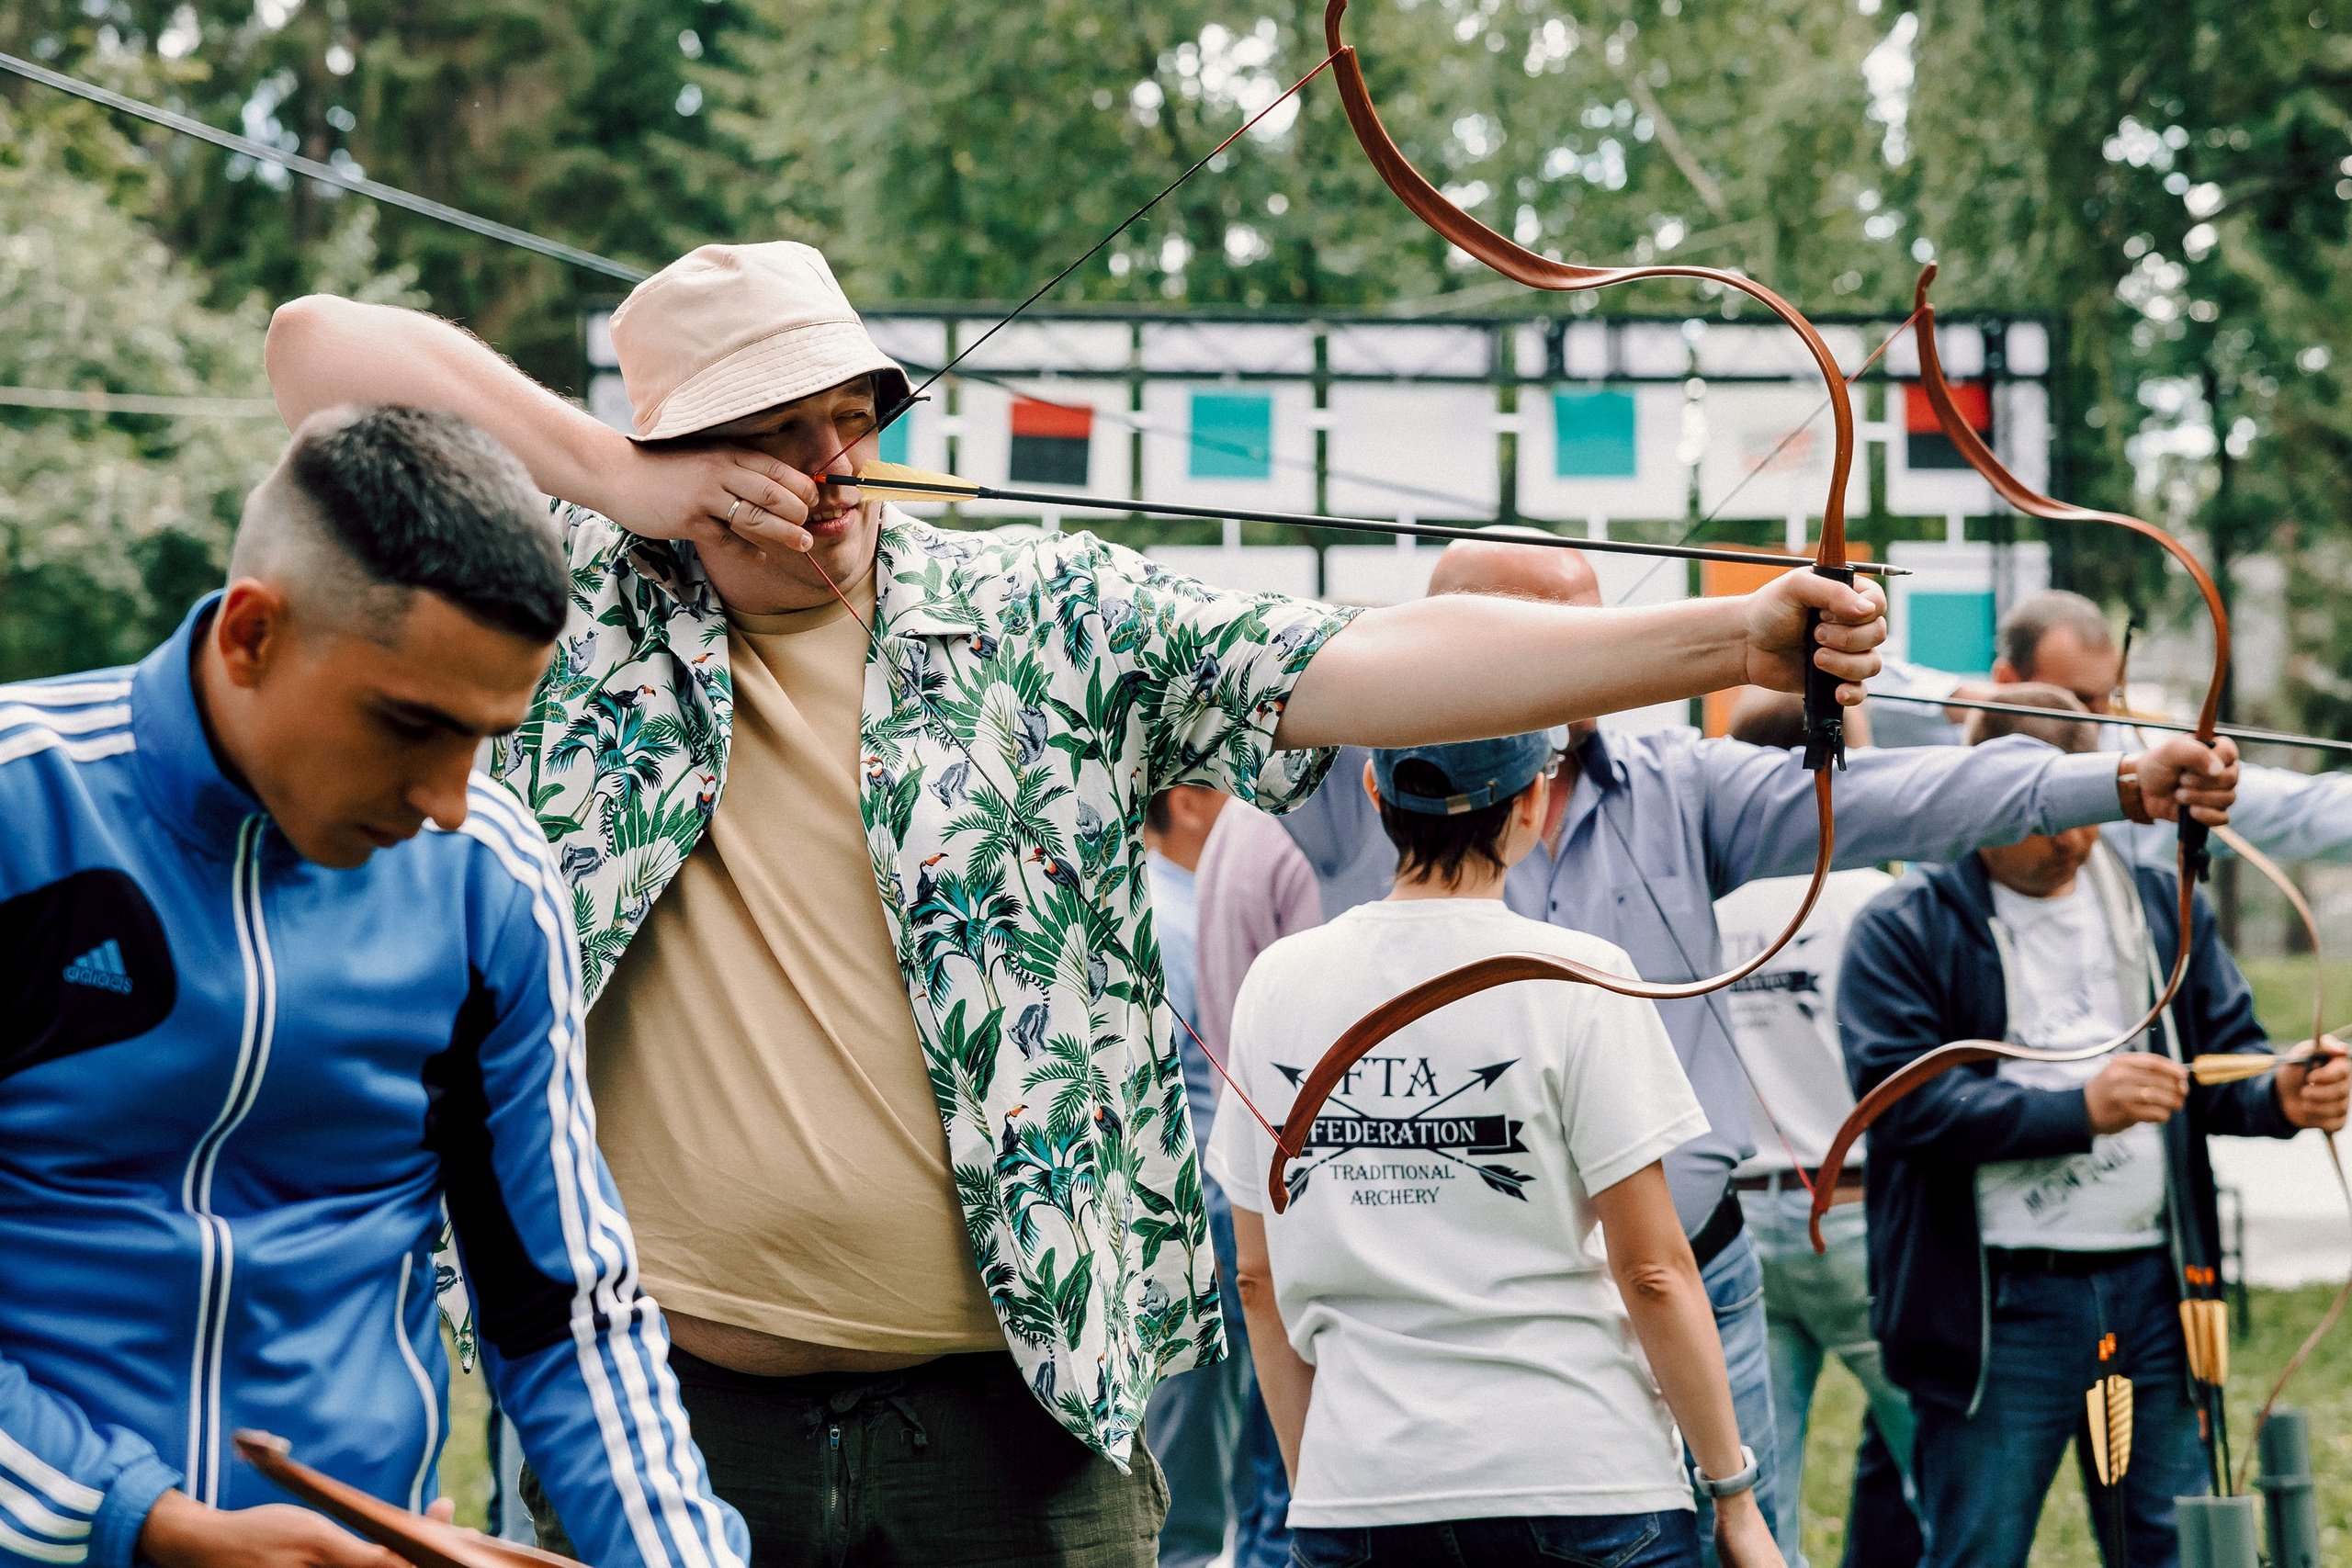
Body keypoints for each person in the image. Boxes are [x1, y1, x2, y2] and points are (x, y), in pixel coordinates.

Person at [263, 242, 1890, 1568]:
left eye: (851, 417)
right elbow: (316, 350)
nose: (832, 469)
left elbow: (1363, 659)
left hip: (1017, 1422)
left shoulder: (1042, 610)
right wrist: (619, 480)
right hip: (660, 1416)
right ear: (672, 448)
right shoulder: (567, 606)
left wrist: (1727, 639)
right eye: (773, 431)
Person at [1269, 540, 2241, 1559]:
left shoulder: (1674, 786)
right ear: (1436, 639)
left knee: (1742, 1540)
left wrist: (2116, 780)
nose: (1591, 655)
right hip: (1429, 1305)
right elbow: (1249, 665)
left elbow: (1895, 796)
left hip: (1688, 1272)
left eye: (1599, 627)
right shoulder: (1347, 778)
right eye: (1548, 635)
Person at [0, 406, 746, 1568]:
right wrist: (141, 1524)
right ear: (252, 634)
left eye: (484, 739)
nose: (449, 801)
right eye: (412, 727)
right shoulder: (20, 813)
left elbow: (564, 1314)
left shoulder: (486, 878)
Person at [1210, 732, 1780, 1568]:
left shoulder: (1278, 980)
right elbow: (1654, 1270)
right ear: (1531, 806)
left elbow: (1256, 1280)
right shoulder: (1584, 974)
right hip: (1585, 1480)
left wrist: (1323, 1484)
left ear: (1373, 792)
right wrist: (1734, 1496)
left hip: (1363, 1483)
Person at [1838, 686, 2351, 1568]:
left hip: (2155, 1287)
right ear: (1981, 800)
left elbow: (2221, 1065)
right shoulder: (1905, 926)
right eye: (2046, 814)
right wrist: (2078, 1110)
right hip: (1997, 1306)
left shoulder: (2159, 902)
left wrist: (2281, 1094)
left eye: (2089, 811)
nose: (2072, 837)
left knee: (2172, 1542)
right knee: (1979, 1547)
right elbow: (1901, 1106)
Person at [1712, 692, 1919, 1568]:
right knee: (1948, 1474)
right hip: (1862, 1217)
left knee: (1757, 1503)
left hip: (1738, 1219)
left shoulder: (1704, 908)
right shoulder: (1878, 901)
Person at [1872, 590, 2352, 863]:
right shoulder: (1946, 747)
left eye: (2107, 698)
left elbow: (2300, 809)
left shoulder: (2143, 761)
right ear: (2006, 680)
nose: (2096, 719)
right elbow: (1849, 681)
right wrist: (1981, 705)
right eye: (2077, 699)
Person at [1192, 797, 1323, 1568]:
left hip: (1237, 1174)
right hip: (1291, 1190)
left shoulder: (1233, 830)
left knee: (1262, 1443)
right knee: (1291, 1463)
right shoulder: (1295, 844)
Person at [1139, 785, 1249, 1568]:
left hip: (1194, 1206)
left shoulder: (1178, 903)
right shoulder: (1169, 912)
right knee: (1194, 1459)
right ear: (1185, 802)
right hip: (1198, 1211)